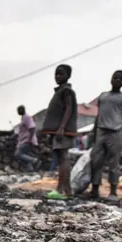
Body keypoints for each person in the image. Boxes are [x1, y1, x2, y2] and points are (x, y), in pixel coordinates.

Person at [90, 70, 122, 201]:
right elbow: (99, 115)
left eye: (121, 78)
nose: (118, 80)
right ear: (111, 79)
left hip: (116, 133)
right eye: (115, 77)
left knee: (113, 163)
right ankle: (94, 189)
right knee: (96, 162)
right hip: (101, 132)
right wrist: (94, 132)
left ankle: (113, 192)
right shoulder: (103, 96)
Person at [41, 64, 78, 199]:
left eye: (61, 74)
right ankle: (67, 191)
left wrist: (62, 127)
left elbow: (68, 109)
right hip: (59, 130)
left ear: (68, 76)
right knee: (62, 157)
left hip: (62, 130)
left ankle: (61, 190)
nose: (57, 76)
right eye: (56, 74)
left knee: (63, 157)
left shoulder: (67, 91)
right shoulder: (60, 91)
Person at [14, 106, 41, 173]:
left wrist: (29, 139)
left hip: (27, 141)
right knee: (24, 155)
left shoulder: (27, 117)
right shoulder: (23, 118)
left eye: (19, 110)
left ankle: (34, 160)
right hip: (24, 140)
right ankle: (30, 170)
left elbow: (32, 128)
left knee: (18, 154)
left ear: (23, 110)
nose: (18, 112)